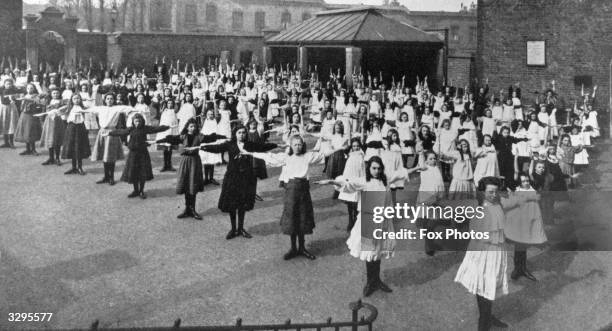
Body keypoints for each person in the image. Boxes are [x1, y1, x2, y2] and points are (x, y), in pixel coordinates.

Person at [317, 156, 419, 296]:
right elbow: (348, 184)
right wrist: (331, 181)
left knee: (378, 251)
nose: (376, 171)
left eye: (379, 168)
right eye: (373, 168)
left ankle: (377, 280)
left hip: (383, 220)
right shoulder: (364, 181)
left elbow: (400, 174)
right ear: (369, 168)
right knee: (370, 252)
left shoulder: (386, 179)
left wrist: (417, 167)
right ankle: (370, 282)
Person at [454, 176, 537, 331]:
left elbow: (512, 204)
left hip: (496, 251)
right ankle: (483, 323)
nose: (493, 195)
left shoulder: (498, 203)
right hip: (484, 254)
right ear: (482, 192)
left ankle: (487, 317)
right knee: (484, 287)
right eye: (490, 192)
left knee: (488, 288)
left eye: (495, 191)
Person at [247, 135, 335, 260]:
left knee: (303, 218)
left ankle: (302, 248)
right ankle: (293, 248)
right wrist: (250, 153)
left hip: (304, 190)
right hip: (291, 191)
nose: (297, 147)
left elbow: (323, 154)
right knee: (292, 218)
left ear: (302, 145)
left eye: (299, 144)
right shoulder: (287, 158)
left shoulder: (307, 156)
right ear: (291, 146)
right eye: (295, 144)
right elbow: (269, 156)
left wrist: (340, 148)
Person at [200, 125, 277, 239]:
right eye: (239, 132)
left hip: (246, 177)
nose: (242, 135)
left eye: (243, 133)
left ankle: (241, 228)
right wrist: (202, 147)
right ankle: (233, 229)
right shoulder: (229, 144)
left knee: (242, 204)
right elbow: (216, 148)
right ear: (235, 134)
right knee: (232, 204)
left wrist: (276, 145)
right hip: (233, 177)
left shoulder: (249, 145)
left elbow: (262, 147)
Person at [156, 118, 226, 220]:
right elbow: (170, 139)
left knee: (193, 185)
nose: (193, 128)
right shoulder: (182, 136)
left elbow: (211, 137)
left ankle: (192, 209)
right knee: (185, 184)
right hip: (185, 162)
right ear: (187, 127)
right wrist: (157, 141)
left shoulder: (199, 137)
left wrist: (224, 137)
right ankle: (187, 209)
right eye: (191, 126)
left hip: (194, 162)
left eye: (194, 126)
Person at [107, 113, 170, 198]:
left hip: (143, 154)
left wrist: (167, 127)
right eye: (136, 121)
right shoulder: (131, 129)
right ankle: (135, 190)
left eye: (139, 121)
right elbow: (121, 132)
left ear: (142, 121)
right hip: (133, 154)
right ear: (133, 122)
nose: (137, 123)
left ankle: (141, 191)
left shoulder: (145, 128)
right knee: (134, 173)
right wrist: (110, 133)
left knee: (142, 173)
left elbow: (156, 129)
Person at [505, 173, 547, 281]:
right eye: (523, 181)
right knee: (518, 247)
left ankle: (522, 268)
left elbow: (538, 197)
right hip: (519, 223)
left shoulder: (532, 190)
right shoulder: (518, 191)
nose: (526, 183)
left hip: (529, 222)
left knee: (523, 247)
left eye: (527, 180)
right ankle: (517, 269)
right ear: (520, 183)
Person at [61, 94, 92, 175]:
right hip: (71, 128)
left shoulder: (83, 108)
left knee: (79, 146)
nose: (76, 100)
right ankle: (73, 167)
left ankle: (80, 167)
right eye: (74, 98)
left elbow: (88, 115)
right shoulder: (69, 108)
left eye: (78, 98)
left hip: (80, 128)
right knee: (72, 146)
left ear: (80, 99)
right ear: (71, 100)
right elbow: (64, 117)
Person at [14, 83, 43, 156]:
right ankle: (27, 149)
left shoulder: (36, 96)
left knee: (31, 131)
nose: (29, 90)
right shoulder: (24, 96)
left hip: (32, 115)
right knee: (26, 131)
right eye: (28, 88)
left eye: (31, 88)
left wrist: (26, 99)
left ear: (34, 89)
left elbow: (37, 102)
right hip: (24, 115)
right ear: (26, 89)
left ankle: (33, 149)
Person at [156, 99, 179, 172]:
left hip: (172, 131)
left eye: (171, 103)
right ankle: (165, 165)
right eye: (168, 103)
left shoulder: (174, 111)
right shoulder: (163, 111)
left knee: (170, 149)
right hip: (164, 131)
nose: (170, 104)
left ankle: (169, 165)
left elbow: (177, 106)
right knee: (165, 148)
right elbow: (160, 108)